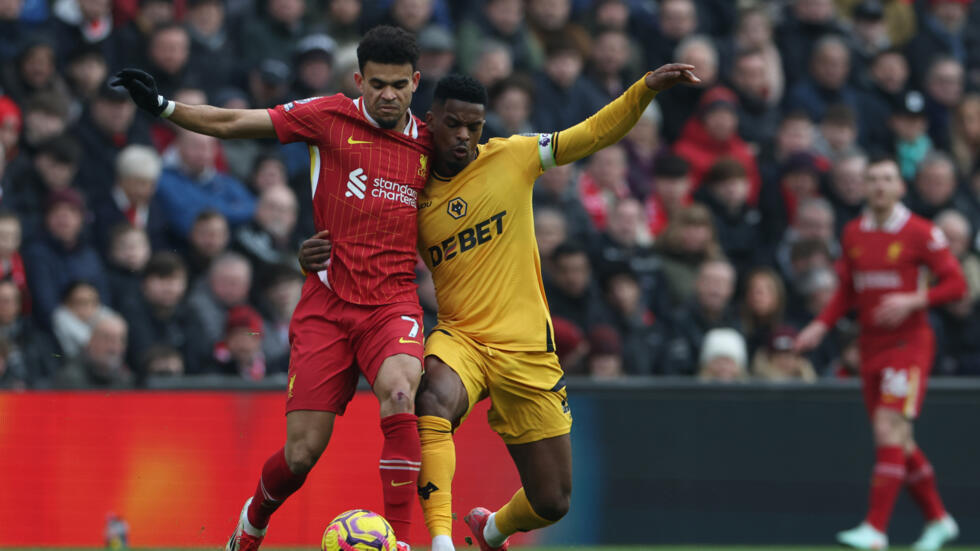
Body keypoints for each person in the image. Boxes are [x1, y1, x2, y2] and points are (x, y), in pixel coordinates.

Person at [300, 63, 698, 551]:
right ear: (430, 120)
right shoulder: (410, 184)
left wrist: (644, 89)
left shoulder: (514, 156)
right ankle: (441, 541)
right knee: (432, 401)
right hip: (461, 337)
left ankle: (491, 531)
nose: (465, 136)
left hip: (528, 350)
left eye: (475, 127)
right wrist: (308, 255)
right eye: (454, 125)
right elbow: (356, 233)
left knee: (552, 501)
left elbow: (590, 135)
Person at [112, 25, 432, 551]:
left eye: (399, 84)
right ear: (359, 80)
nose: (389, 95)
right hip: (327, 306)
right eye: (378, 84)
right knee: (302, 456)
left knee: (401, 395)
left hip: (392, 302)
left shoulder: (431, 142)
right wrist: (166, 108)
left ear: (416, 82)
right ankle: (253, 522)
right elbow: (237, 121)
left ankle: (399, 542)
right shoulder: (329, 116)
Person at [794, 155, 965, 550]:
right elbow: (847, 291)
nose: (880, 186)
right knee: (898, 442)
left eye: (888, 179)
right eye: (873, 179)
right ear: (865, 187)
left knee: (889, 430)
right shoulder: (853, 232)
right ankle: (939, 519)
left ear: (901, 187)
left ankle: (875, 529)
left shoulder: (921, 232)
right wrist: (821, 324)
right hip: (871, 345)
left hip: (908, 345)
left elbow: (955, 284)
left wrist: (913, 300)